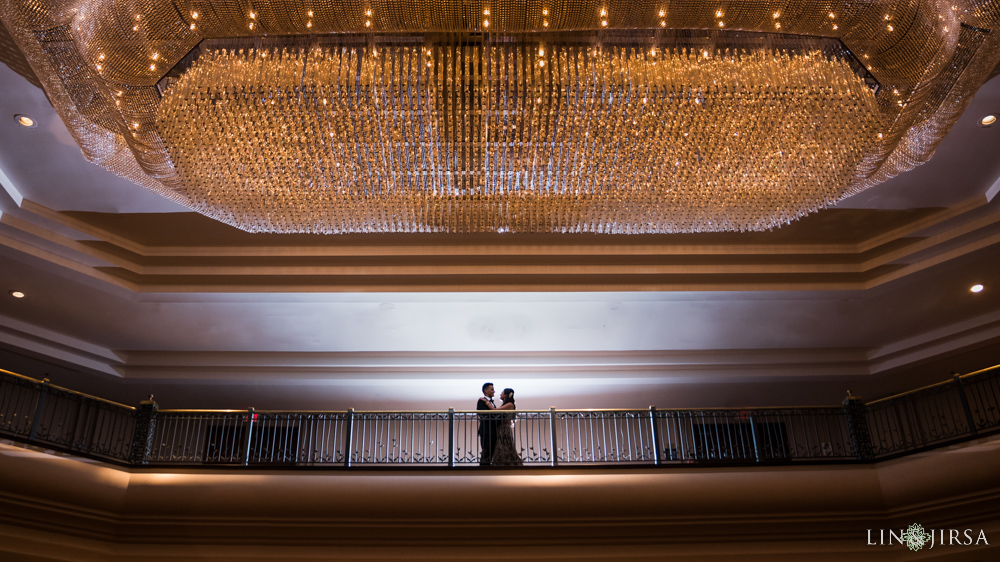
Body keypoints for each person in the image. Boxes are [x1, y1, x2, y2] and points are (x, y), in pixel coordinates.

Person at [482, 388, 524, 466]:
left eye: (502, 393)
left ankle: (507, 462)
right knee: (501, 445)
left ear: (506, 395)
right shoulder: (506, 404)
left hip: (504, 428)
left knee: (505, 444)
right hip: (501, 428)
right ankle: (501, 462)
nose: (500, 394)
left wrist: (486, 402)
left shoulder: (510, 404)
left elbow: (495, 410)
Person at [477, 382, 498, 465]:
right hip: (486, 430)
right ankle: (483, 468)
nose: (494, 391)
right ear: (486, 390)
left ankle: (489, 466)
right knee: (486, 450)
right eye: (492, 389)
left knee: (492, 450)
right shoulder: (481, 401)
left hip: (493, 430)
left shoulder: (491, 402)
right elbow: (483, 414)